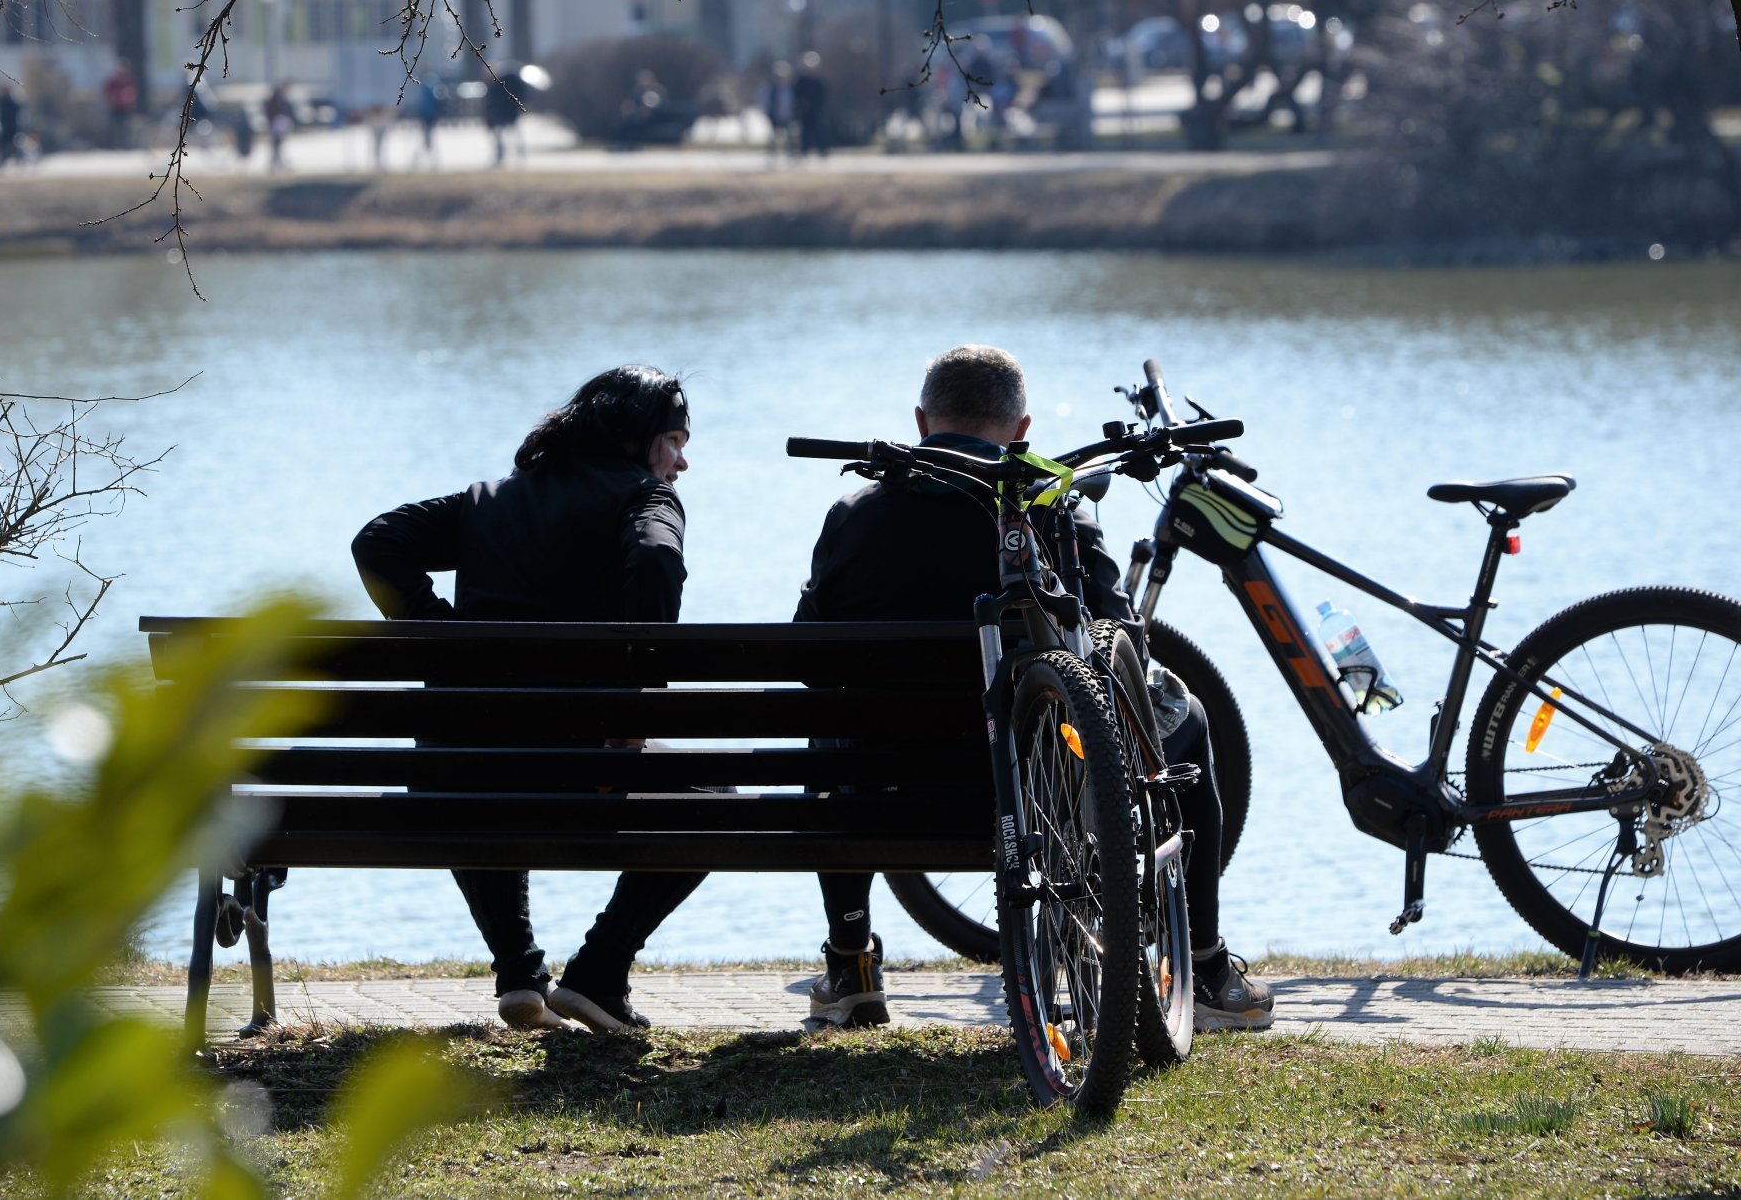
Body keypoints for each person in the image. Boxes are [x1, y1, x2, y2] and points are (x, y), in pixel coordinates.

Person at [792, 344, 1274, 1033]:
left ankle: (851, 968)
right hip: (1037, 793)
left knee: (832, 722)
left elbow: (811, 658)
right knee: (1190, 718)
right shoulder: (1054, 508)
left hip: (885, 788)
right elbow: (1122, 647)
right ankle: (1204, 965)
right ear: (1022, 431)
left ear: (922, 422)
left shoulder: (855, 513)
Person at [351, 366, 703, 1034]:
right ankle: (599, 972)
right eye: (674, 441)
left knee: (471, 751)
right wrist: (634, 707)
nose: (681, 462)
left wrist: (441, 634)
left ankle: (518, 973)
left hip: (458, 779)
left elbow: (378, 541)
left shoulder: (491, 500)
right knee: (717, 805)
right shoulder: (644, 499)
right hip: (580, 774)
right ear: (639, 442)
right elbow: (656, 562)